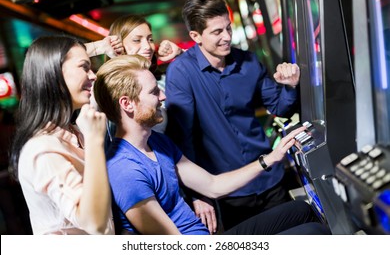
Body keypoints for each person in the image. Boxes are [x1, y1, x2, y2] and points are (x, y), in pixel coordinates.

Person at [93, 54, 330, 235]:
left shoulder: (157, 142)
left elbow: (213, 185)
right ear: (127, 103)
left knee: (302, 210)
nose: (163, 97)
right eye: (154, 92)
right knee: (314, 233)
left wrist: (271, 157)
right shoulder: (124, 170)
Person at [164, 0, 301, 232]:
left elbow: (280, 107)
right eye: (217, 32)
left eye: (228, 28)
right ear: (195, 36)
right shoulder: (182, 73)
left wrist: (290, 85)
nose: (227, 37)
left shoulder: (248, 62)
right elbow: (182, 140)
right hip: (228, 191)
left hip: (270, 178)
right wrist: (198, 194)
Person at [9, 36, 113, 235]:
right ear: (54, 75)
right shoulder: (43, 148)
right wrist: (94, 141)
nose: (93, 76)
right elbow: (93, 223)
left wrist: (102, 46)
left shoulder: (74, 131)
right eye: (84, 67)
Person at [107, 14, 183, 133]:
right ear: (117, 45)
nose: (148, 46)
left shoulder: (161, 82)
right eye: (137, 40)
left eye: (150, 39)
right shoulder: (107, 88)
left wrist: (180, 53)